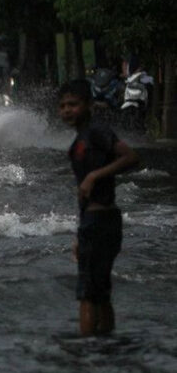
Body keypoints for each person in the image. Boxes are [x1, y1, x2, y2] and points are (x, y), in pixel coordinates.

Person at [59, 79, 139, 336]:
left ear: (88, 105)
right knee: (101, 291)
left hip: (102, 219)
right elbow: (82, 193)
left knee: (87, 294)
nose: (67, 110)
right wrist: (79, 232)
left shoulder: (96, 131)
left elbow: (131, 157)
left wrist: (95, 176)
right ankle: (105, 346)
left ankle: (87, 353)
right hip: (94, 221)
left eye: (73, 104)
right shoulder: (79, 141)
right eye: (62, 106)